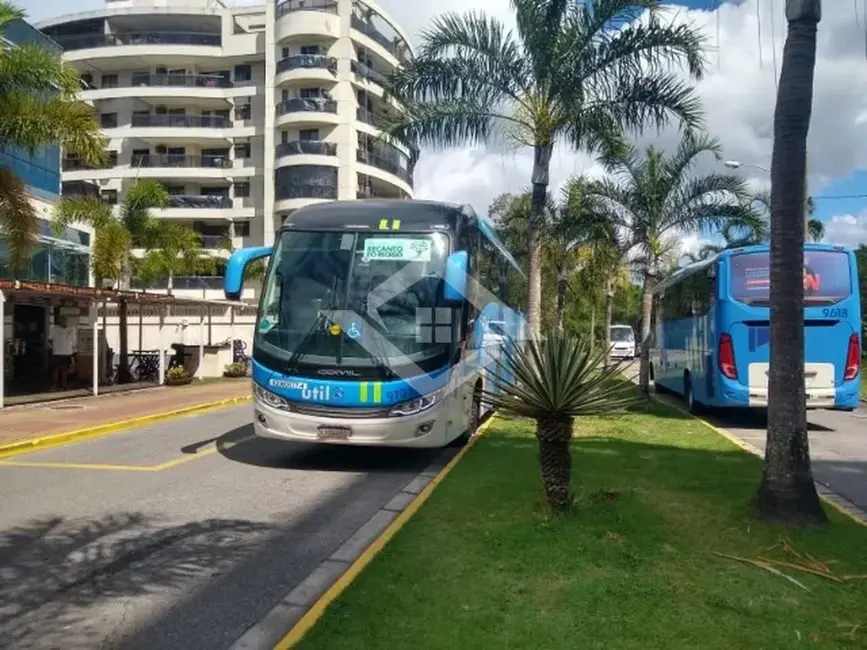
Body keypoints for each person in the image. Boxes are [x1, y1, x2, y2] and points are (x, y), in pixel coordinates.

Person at [48, 315, 77, 390]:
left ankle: (64, 384)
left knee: (65, 370)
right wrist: (55, 346)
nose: (63, 321)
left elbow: (74, 341)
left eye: (64, 320)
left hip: (68, 352)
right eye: (61, 320)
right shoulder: (54, 329)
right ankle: (55, 385)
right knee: (56, 369)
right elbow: (50, 339)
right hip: (57, 352)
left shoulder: (70, 329)